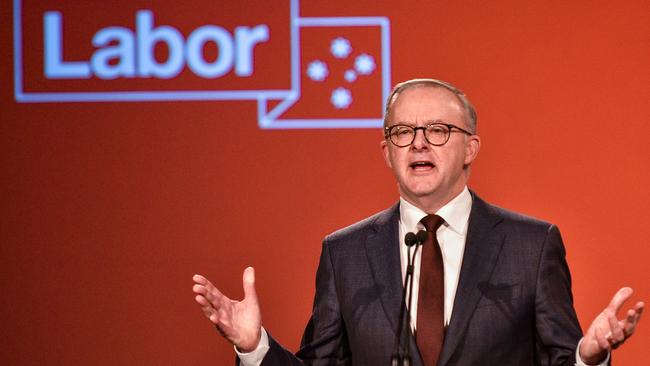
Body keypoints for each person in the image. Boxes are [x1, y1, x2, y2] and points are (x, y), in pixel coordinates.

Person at [192, 78, 644, 365]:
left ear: (470, 148)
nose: (419, 145)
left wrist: (588, 359)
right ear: (386, 151)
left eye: (438, 131)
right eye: (403, 132)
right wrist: (255, 349)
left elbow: (560, 359)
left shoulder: (533, 244)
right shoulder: (344, 252)